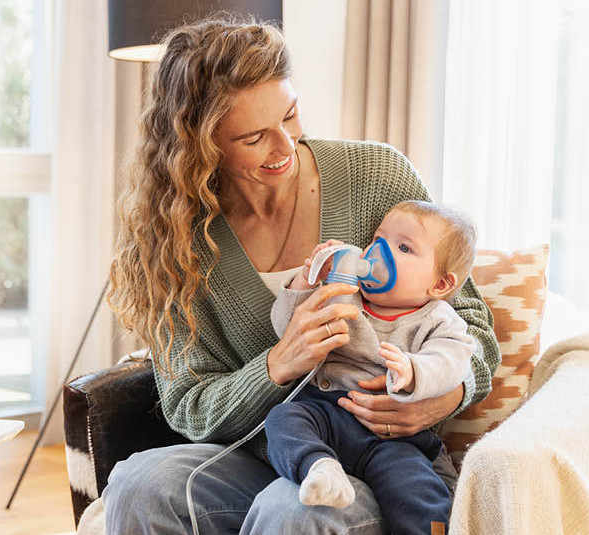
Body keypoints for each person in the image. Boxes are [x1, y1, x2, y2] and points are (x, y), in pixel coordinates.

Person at [104, 15, 500, 535]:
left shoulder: (375, 176)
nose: (285, 146)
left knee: (291, 508)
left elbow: (470, 321)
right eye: (253, 137)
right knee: (140, 483)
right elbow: (188, 406)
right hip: (267, 451)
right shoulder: (175, 239)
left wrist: (444, 394)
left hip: (377, 464)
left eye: (290, 116)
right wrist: (275, 365)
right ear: (200, 146)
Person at [265, 200, 478, 534]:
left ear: (439, 285)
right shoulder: (343, 293)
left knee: (417, 491)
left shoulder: (438, 320)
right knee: (282, 420)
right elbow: (288, 328)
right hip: (324, 414)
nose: (378, 251)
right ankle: (319, 468)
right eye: (379, 238)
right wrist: (306, 283)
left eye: (404, 247)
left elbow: (452, 361)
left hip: (390, 439)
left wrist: (414, 371)